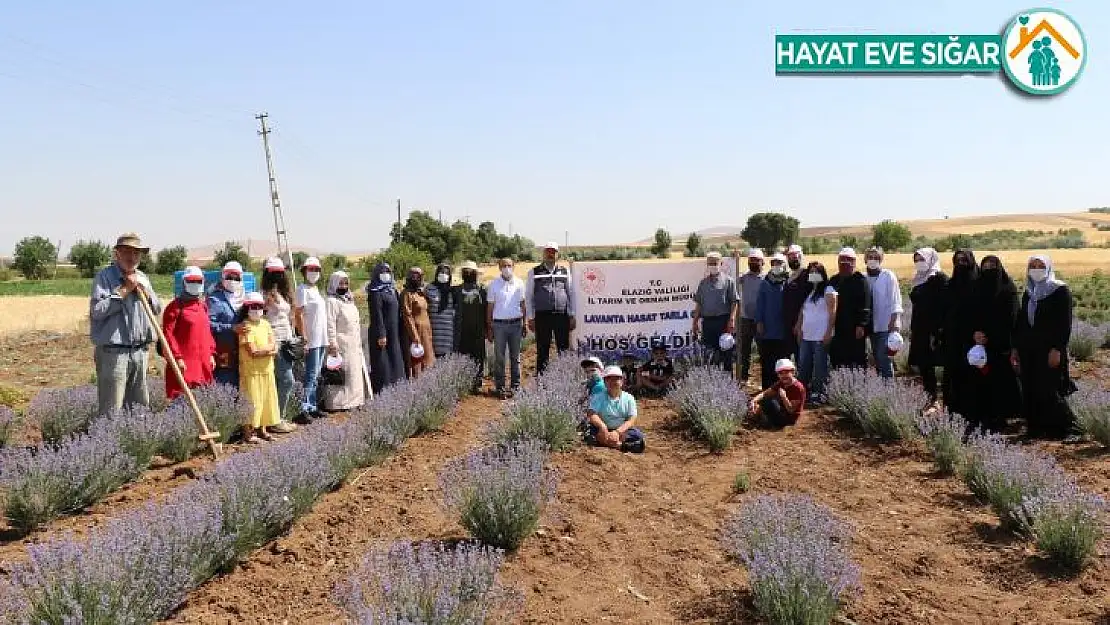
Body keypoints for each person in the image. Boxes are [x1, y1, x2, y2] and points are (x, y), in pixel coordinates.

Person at [89, 232, 163, 416]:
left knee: (139, 408)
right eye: (127, 252)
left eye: (136, 253)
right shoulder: (105, 277)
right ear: (117, 254)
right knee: (111, 409)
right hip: (114, 353)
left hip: (140, 351)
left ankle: (134, 443)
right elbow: (97, 311)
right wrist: (124, 290)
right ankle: (107, 443)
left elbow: (156, 308)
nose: (132, 257)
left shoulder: (143, 277)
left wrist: (145, 293)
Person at [1013, 255, 1078, 441]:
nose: (1036, 269)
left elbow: (1064, 323)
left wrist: (1057, 348)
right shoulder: (1029, 292)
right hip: (1029, 349)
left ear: (1048, 267)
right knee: (1031, 388)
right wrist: (1016, 348)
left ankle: (1069, 429)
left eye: (1040, 266)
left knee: (1051, 389)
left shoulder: (1060, 290)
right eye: (1032, 266)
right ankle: (1036, 429)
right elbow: (1022, 322)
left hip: (1050, 349)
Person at [965, 255, 1021, 432]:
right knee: (981, 379)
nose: (989, 269)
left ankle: (1002, 417)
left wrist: (1012, 346)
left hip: (1002, 345)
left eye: (993, 265)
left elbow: (1013, 319)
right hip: (981, 345)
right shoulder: (976, 288)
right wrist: (975, 333)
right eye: (985, 266)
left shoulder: (1008, 289)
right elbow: (970, 314)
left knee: (1002, 381)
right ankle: (982, 416)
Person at [161, 265, 216, 401]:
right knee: (181, 401)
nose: (195, 284)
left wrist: (211, 354)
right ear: (184, 283)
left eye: (198, 281)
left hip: (202, 362)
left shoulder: (202, 306)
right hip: (184, 364)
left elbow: (207, 332)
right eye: (191, 281)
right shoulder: (175, 307)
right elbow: (168, 335)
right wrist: (177, 357)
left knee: (202, 398)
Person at [526, 242, 576, 375]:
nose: (550, 254)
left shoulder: (565, 271)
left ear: (557, 254)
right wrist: (530, 318)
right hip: (542, 316)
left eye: (553, 252)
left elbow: (571, 293)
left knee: (563, 349)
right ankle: (542, 381)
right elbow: (529, 296)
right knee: (542, 349)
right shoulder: (534, 272)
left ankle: (565, 378)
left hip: (561, 315)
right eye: (548, 251)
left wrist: (572, 314)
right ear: (543, 254)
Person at [322, 271, 369, 411]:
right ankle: (339, 404)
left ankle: (354, 401)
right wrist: (332, 344)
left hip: (353, 342)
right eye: (340, 283)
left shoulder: (348, 299)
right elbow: (330, 324)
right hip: (341, 343)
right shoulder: (331, 301)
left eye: (346, 283)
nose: (344, 286)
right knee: (342, 373)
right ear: (334, 284)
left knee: (354, 373)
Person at [260, 257, 298, 431]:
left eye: (279, 272)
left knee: (280, 381)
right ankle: (276, 420)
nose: (277, 275)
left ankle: (275, 418)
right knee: (286, 380)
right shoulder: (263, 294)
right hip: (274, 342)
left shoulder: (284, 293)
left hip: (287, 341)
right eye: (273, 272)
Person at [237, 291, 280, 443]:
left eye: (259, 306)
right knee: (252, 401)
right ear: (247, 309)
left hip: (267, 369)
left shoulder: (266, 324)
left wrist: (268, 350)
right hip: (252, 371)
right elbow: (252, 351)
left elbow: (274, 346)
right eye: (252, 307)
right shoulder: (245, 327)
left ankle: (263, 430)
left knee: (266, 400)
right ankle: (248, 434)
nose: (256, 310)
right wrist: (269, 350)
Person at [907, 248, 948, 404]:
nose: (919, 263)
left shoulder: (939, 278)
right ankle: (931, 398)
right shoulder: (918, 279)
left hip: (934, 330)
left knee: (940, 363)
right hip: (919, 328)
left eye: (922, 259)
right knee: (924, 364)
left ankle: (945, 399)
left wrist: (939, 329)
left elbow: (945, 305)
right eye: (916, 260)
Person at [942, 249, 979, 419]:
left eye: (964, 261)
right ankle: (953, 411)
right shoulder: (950, 284)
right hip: (952, 338)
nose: (961, 264)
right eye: (957, 261)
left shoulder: (979, 284)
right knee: (953, 375)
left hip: (973, 339)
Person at [795, 262, 836, 404]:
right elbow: (802, 312)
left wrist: (829, 332)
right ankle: (802, 392)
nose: (813, 274)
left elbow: (832, 313)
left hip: (820, 335)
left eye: (816, 272)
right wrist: (799, 327)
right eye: (811, 272)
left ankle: (819, 393)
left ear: (822, 274)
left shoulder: (828, 290)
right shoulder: (809, 291)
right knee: (803, 364)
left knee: (820, 366)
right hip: (807, 335)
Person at [692, 251, 740, 373]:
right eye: (710, 263)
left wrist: (732, 319)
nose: (713, 266)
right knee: (709, 355)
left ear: (721, 263)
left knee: (726, 353)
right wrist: (694, 322)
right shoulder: (703, 283)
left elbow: (734, 301)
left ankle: (729, 384)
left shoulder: (729, 281)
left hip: (723, 322)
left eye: (715, 263)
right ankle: (713, 382)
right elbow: (698, 304)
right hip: (708, 323)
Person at [294, 256, 329, 420]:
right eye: (311, 269)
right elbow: (298, 315)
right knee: (310, 373)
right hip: (312, 339)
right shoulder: (302, 290)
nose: (314, 272)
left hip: (321, 338)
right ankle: (304, 408)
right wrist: (304, 337)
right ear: (304, 271)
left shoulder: (316, 290)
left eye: (316, 270)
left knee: (316, 374)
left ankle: (313, 405)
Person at [488, 258, 527, 398]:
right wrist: (489, 327)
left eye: (509, 265)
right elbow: (490, 307)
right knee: (499, 357)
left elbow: (523, 304)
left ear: (514, 267)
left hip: (516, 324)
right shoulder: (493, 284)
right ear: (499, 268)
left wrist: (525, 323)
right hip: (499, 325)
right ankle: (500, 387)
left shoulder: (519, 283)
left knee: (515, 357)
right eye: (504, 266)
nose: (506, 268)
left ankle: (515, 387)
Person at [827, 248, 872, 369]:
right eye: (842, 259)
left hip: (855, 327)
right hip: (838, 327)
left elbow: (866, 305)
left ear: (854, 262)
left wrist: (861, 325)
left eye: (849, 260)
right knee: (837, 357)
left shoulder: (861, 280)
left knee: (856, 358)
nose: (845, 262)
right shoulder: (833, 280)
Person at [863, 247, 903, 378]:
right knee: (876, 358)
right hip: (870, 326)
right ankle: (882, 387)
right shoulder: (863, 278)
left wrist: (894, 322)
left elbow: (895, 300)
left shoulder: (888, 276)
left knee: (883, 356)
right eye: (870, 257)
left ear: (881, 260)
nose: (873, 260)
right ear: (865, 259)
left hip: (886, 324)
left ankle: (888, 387)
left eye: (876, 258)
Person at [585, 366, 645, 453]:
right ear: (604, 381)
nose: (612, 382)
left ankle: (603, 442)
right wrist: (602, 427)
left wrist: (617, 432)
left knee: (637, 435)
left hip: (621, 430)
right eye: (609, 379)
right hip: (602, 429)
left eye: (616, 379)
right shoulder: (598, 396)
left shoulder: (629, 398)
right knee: (589, 433)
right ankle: (620, 446)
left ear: (622, 381)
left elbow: (631, 419)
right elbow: (592, 414)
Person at [366, 262, 406, 394]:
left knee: (394, 358)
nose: (385, 275)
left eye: (387, 272)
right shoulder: (374, 292)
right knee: (383, 361)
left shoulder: (392, 290)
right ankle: (383, 389)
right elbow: (376, 314)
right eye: (382, 272)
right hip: (381, 333)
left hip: (393, 331)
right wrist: (381, 334)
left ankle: (397, 387)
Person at [755, 253, 790, 390]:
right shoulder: (765, 282)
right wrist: (759, 321)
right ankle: (767, 390)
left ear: (784, 265)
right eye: (774, 263)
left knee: (782, 362)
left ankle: (782, 389)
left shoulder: (789, 282)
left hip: (783, 330)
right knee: (767, 361)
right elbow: (760, 304)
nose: (776, 266)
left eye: (779, 263)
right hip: (767, 329)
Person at [208, 261, 245, 387]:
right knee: (225, 384)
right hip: (224, 350)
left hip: (244, 350)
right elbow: (209, 325)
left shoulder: (245, 298)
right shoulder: (215, 299)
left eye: (236, 277)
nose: (232, 280)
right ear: (223, 277)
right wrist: (231, 328)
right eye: (229, 276)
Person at [453, 261, 487, 394]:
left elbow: (487, 309)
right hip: (461, 329)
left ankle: (477, 382)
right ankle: (464, 381)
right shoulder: (456, 290)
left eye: (471, 272)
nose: (468, 273)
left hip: (478, 329)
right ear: (462, 274)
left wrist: (488, 327)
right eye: (466, 271)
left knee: (478, 356)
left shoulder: (482, 290)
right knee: (462, 355)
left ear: (475, 274)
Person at [749, 358, 806, 429]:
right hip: (782, 411)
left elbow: (791, 410)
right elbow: (765, 393)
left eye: (786, 372)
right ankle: (758, 415)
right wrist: (754, 400)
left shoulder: (797, 388)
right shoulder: (781, 383)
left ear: (793, 372)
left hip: (789, 419)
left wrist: (784, 397)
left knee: (769, 402)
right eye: (781, 373)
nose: (784, 375)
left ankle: (765, 420)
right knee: (763, 399)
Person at [400, 266, 436, 377]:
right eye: (413, 275)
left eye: (418, 276)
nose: (416, 278)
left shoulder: (421, 293)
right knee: (417, 361)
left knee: (428, 359)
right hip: (416, 333)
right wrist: (415, 336)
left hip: (426, 332)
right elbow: (407, 315)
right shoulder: (406, 294)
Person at [737, 249, 765, 382]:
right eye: (751, 260)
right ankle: (743, 376)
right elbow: (731, 276)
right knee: (745, 350)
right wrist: (734, 260)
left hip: (761, 320)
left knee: (763, 350)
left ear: (762, 262)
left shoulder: (766, 279)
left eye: (756, 260)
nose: (753, 262)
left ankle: (765, 377)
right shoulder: (743, 277)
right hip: (745, 319)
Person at [782, 244, 812, 361]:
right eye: (791, 256)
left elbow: (807, 302)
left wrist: (799, 324)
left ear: (801, 256)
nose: (794, 259)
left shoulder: (806, 276)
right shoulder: (786, 277)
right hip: (787, 324)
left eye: (796, 256)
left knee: (802, 358)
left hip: (802, 324)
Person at [427, 262, 456, 359]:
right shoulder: (429, 289)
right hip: (434, 332)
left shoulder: (453, 291)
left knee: (446, 359)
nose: (443, 275)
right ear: (436, 274)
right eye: (441, 272)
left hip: (448, 333)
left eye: (446, 273)